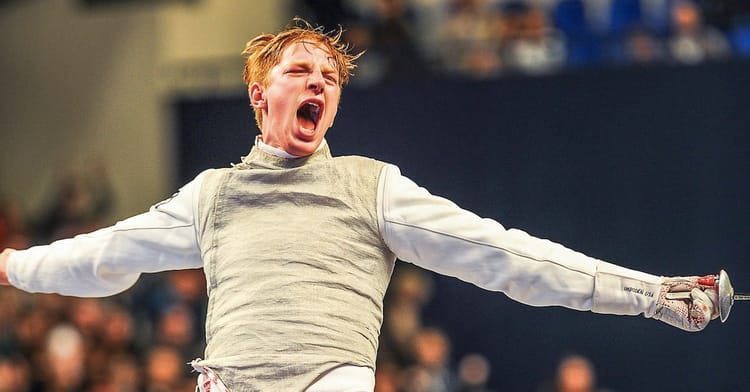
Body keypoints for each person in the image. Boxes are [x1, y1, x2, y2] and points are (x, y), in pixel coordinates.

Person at [0, 18, 720, 392]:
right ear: (261, 94)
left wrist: (651, 295)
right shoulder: (210, 198)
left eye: (330, 76)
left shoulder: (371, 187)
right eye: (300, 71)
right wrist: (10, 266)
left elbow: (508, 257)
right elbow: (101, 258)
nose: (319, 82)